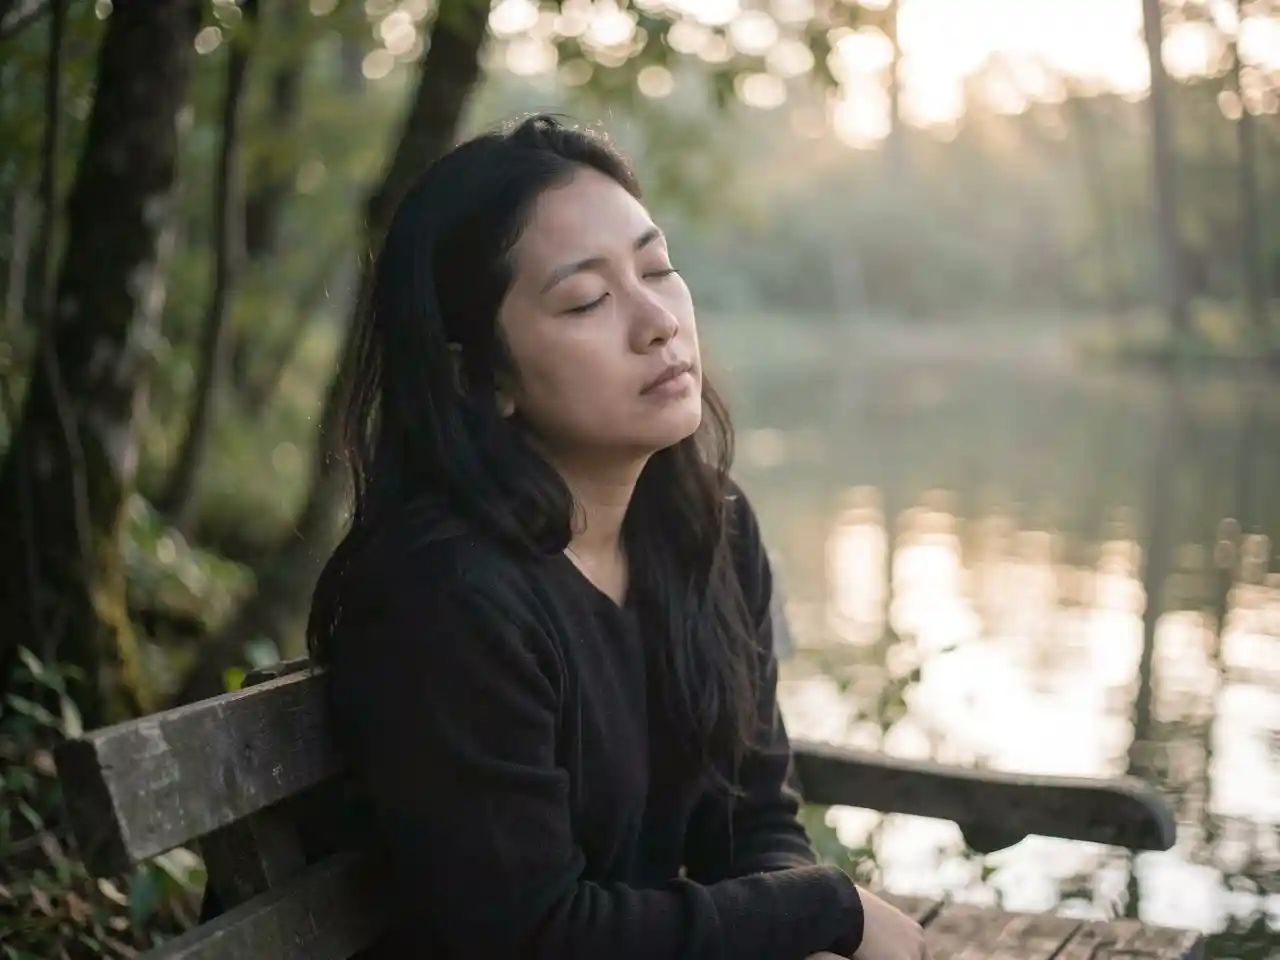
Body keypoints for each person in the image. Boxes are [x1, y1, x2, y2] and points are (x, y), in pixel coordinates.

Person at [307, 113, 931, 960]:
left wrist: (809, 941)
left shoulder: (706, 530)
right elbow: (534, 935)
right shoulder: (446, 597)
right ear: (478, 376)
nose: (657, 321)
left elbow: (753, 819)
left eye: (658, 268)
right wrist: (825, 909)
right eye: (586, 301)